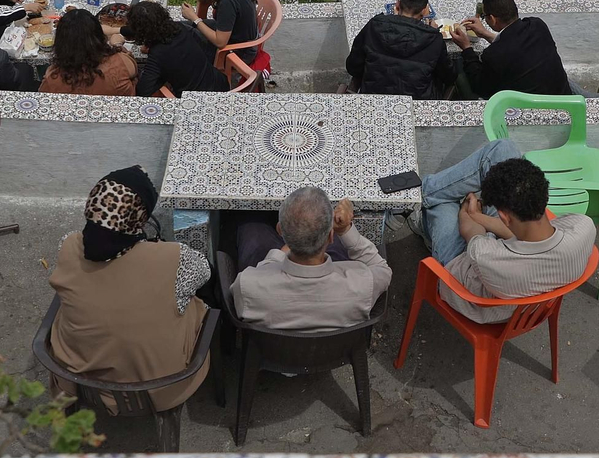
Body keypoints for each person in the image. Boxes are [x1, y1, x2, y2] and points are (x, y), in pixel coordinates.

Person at [47, 166, 213, 414]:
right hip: (157, 389)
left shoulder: (68, 245)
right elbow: (205, 272)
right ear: (139, 218)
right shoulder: (174, 257)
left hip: (78, 382)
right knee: (195, 303)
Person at [415, 141, 596, 324]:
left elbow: (470, 230)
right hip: (507, 271)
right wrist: (478, 215)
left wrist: (468, 214)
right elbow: (526, 236)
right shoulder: (584, 228)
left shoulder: (484, 256)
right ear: (545, 196)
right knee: (503, 149)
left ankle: (419, 201)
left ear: (505, 217)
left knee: (442, 202)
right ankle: (426, 194)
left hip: (466, 284)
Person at [231, 188, 392, 329]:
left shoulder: (246, 286)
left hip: (271, 349)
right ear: (330, 236)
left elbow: (262, 272)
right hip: (337, 349)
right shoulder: (363, 285)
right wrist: (345, 230)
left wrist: (286, 247)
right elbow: (382, 269)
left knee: (250, 225)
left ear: (280, 230)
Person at [450, 0, 575, 98]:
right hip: (562, 94)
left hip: (533, 108)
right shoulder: (537, 25)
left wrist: (466, 48)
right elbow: (514, 43)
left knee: (459, 71)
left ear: (492, 19)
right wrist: (485, 33)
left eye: (484, 16)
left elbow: (480, 87)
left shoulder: (493, 55)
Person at [346, 0, 457, 99]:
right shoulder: (434, 38)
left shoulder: (375, 25)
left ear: (398, 4)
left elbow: (353, 67)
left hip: (375, 99)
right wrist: (432, 31)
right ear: (425, 11)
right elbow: (449, 77)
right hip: (417, 102)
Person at [122, 0, 228, 96]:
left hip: (197, 98)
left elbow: (143, 90)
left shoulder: (157, 55)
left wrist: (131, 65)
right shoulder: (180, 28)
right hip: (219, 83)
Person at [41, 7, 137, 96]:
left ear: (60, 42)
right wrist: (117, 45)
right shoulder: (121, 63)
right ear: (99, 36)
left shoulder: (52, 77)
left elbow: (42, 97)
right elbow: (134, 70)